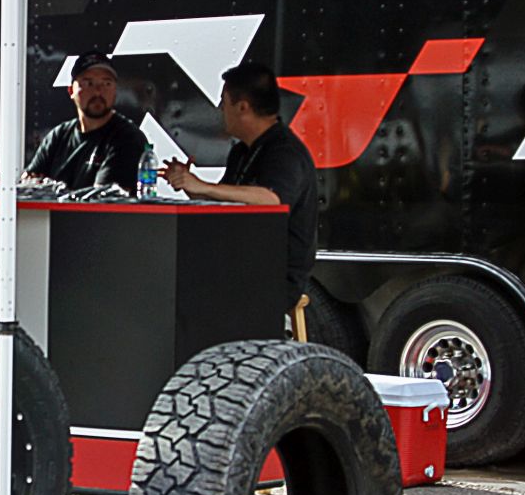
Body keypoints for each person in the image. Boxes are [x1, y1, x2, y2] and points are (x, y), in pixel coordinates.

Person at [162, 60, 318, 313]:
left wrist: (203, 186)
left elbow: (272, 199)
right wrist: (189, 185)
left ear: (242, 107)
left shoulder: (283, 151)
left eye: (224, 102)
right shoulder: (241, 151)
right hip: (240, 264)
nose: (220, 109)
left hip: (273, 276)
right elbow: (224, 202)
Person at [25, 52, 147, 193]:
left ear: (115, 90)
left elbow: (103, 199)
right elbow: (29, 185)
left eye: (106, 83)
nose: (98, 91)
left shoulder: (128, 138)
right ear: (71, 91)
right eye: (88, 83)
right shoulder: (58, 136)